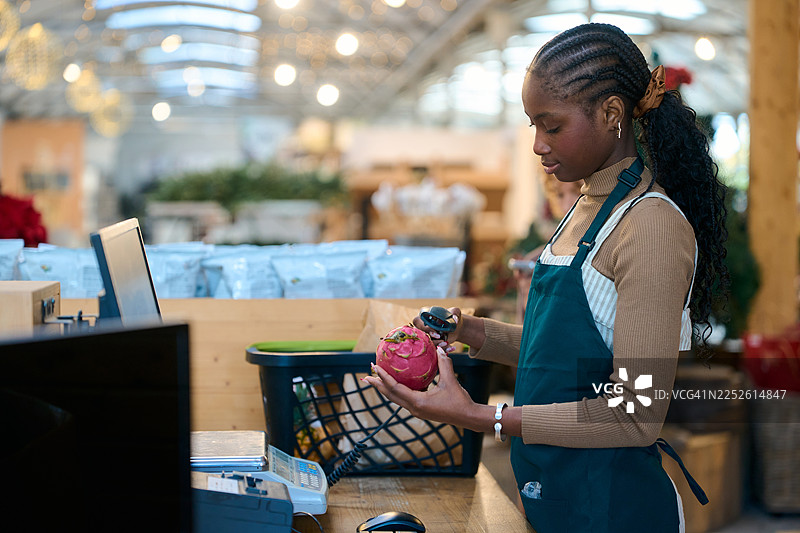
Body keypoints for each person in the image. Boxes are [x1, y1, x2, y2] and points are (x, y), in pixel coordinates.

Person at [364, 22, 728, 533]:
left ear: (611, 114)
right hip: (554, 496)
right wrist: (470, 331)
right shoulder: (583, 207)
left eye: (551, 126)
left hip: (613, 509)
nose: (538, 144)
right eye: (533, 125)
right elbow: (560, 360)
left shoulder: (650, 227)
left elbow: (636, 414)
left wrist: (483, 417)